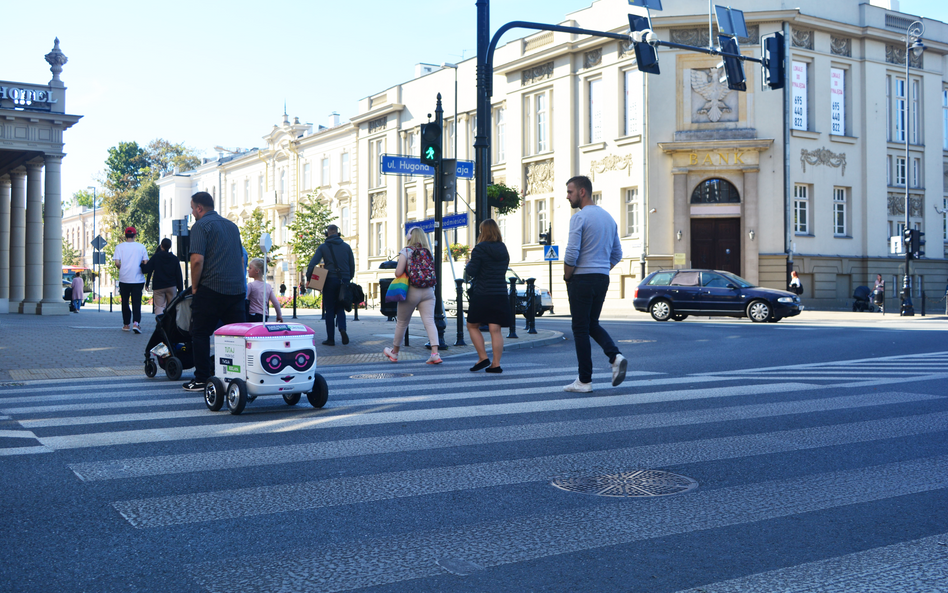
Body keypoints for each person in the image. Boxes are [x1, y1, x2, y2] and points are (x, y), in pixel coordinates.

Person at [562, 175, 626, 393]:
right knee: (591, 323)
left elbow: (572, 253)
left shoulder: (579, 218)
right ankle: (615, 356)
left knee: (580, 328)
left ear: (582, 192)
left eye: (570, 192)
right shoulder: (608, 218)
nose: (568, 196)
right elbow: (617, 253)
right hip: (601, 278)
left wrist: (567, 276)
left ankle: (584, 380)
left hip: (581, 278)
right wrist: (601, 268)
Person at [184, 191, 247, 392]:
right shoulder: (232, 226)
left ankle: (202, 378)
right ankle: (238, 377)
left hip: (211, 288)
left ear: (199, 208)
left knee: (200, 333)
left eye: (192, 208)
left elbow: (197, 260)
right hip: (236, 290)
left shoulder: (200, 226)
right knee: (236, 336)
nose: (192, 212)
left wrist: (195, 287)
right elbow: (241, 259)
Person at [382, 227, 442, 365]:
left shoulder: (406, 251)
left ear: (410, 237)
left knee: (402, 322)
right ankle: (435, 353)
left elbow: (398, 273)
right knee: (429, 321)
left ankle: (395, 352)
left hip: (412, 290)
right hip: (428, 290)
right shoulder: (428, 252)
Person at [465, 219, 513, 374]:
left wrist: (468, 263)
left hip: (483, 293)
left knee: (472, 325)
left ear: (483, 232)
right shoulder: (503, 248)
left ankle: (482, 357)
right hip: (500, 293)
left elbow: (471, 272)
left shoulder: (479, 249)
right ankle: (496, 364)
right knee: (495, 329)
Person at [305, 224, 355, 346]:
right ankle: (342, 329)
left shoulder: (323, 247)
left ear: (327, 234)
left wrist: (308, 278)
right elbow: (352, 266)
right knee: (340, 307)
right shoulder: (347, 247)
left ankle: (331, 339)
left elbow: (312, 264)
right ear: (338, 233)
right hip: (344, 280)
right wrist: (348, 279)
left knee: (330, 309)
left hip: (329, 281)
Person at [112, 226, 149, 333]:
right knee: (136, 302)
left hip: (124, 278)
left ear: (125, 235)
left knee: (125, 302)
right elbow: (145, 262)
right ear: (135, 235)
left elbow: (117, 263)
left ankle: (126, 324)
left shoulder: (119, 247)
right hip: (138, 279)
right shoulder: (141, 247)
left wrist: (123, 268)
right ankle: (136, 324)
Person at [142, 238, 183, 315]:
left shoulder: (156, 257)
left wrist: (141, 264)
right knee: (171, 306)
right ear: (170, 247)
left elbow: (147, 269)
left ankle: (160, 324)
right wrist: (180, 289)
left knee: (159, 307)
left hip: (159, 286)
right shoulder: (174, 259)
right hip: (171, 285)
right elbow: (178, 274)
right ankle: (169, 324)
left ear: (161, 246)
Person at [247, 258, 283, 322]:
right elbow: (276, 303)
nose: (248, 270)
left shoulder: (250, 285)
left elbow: (244, 299)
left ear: (257, 271)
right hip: (264, 315)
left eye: (250, 268)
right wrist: (279, 315)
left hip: (252, 315)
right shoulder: (268, 286)